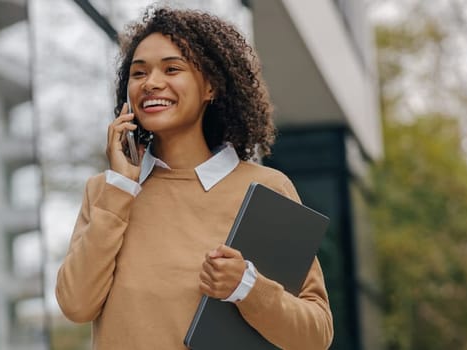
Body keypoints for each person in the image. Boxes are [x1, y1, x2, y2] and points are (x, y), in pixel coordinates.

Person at [55, 6, 334, 349]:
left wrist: (247, 288)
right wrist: (122, 187)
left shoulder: (266, 189)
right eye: (139, 74)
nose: (152, 83)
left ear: (211, 87)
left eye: (172, 69)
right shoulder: (106, 191)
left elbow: (315, 335)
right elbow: (76, 305)